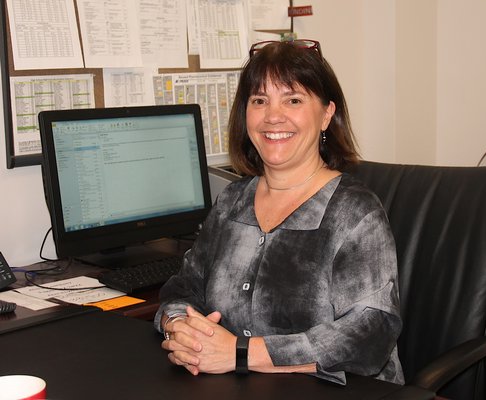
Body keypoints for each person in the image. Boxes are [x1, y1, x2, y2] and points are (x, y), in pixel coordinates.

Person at [155, 39, 404, 385]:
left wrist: (240, 353)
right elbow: (184, 288)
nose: (273, 116)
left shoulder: (354, 212)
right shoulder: (232, 202)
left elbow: (369, 334)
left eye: (293, 100)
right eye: (259, 100)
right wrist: (180, 328)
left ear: (326, 114)